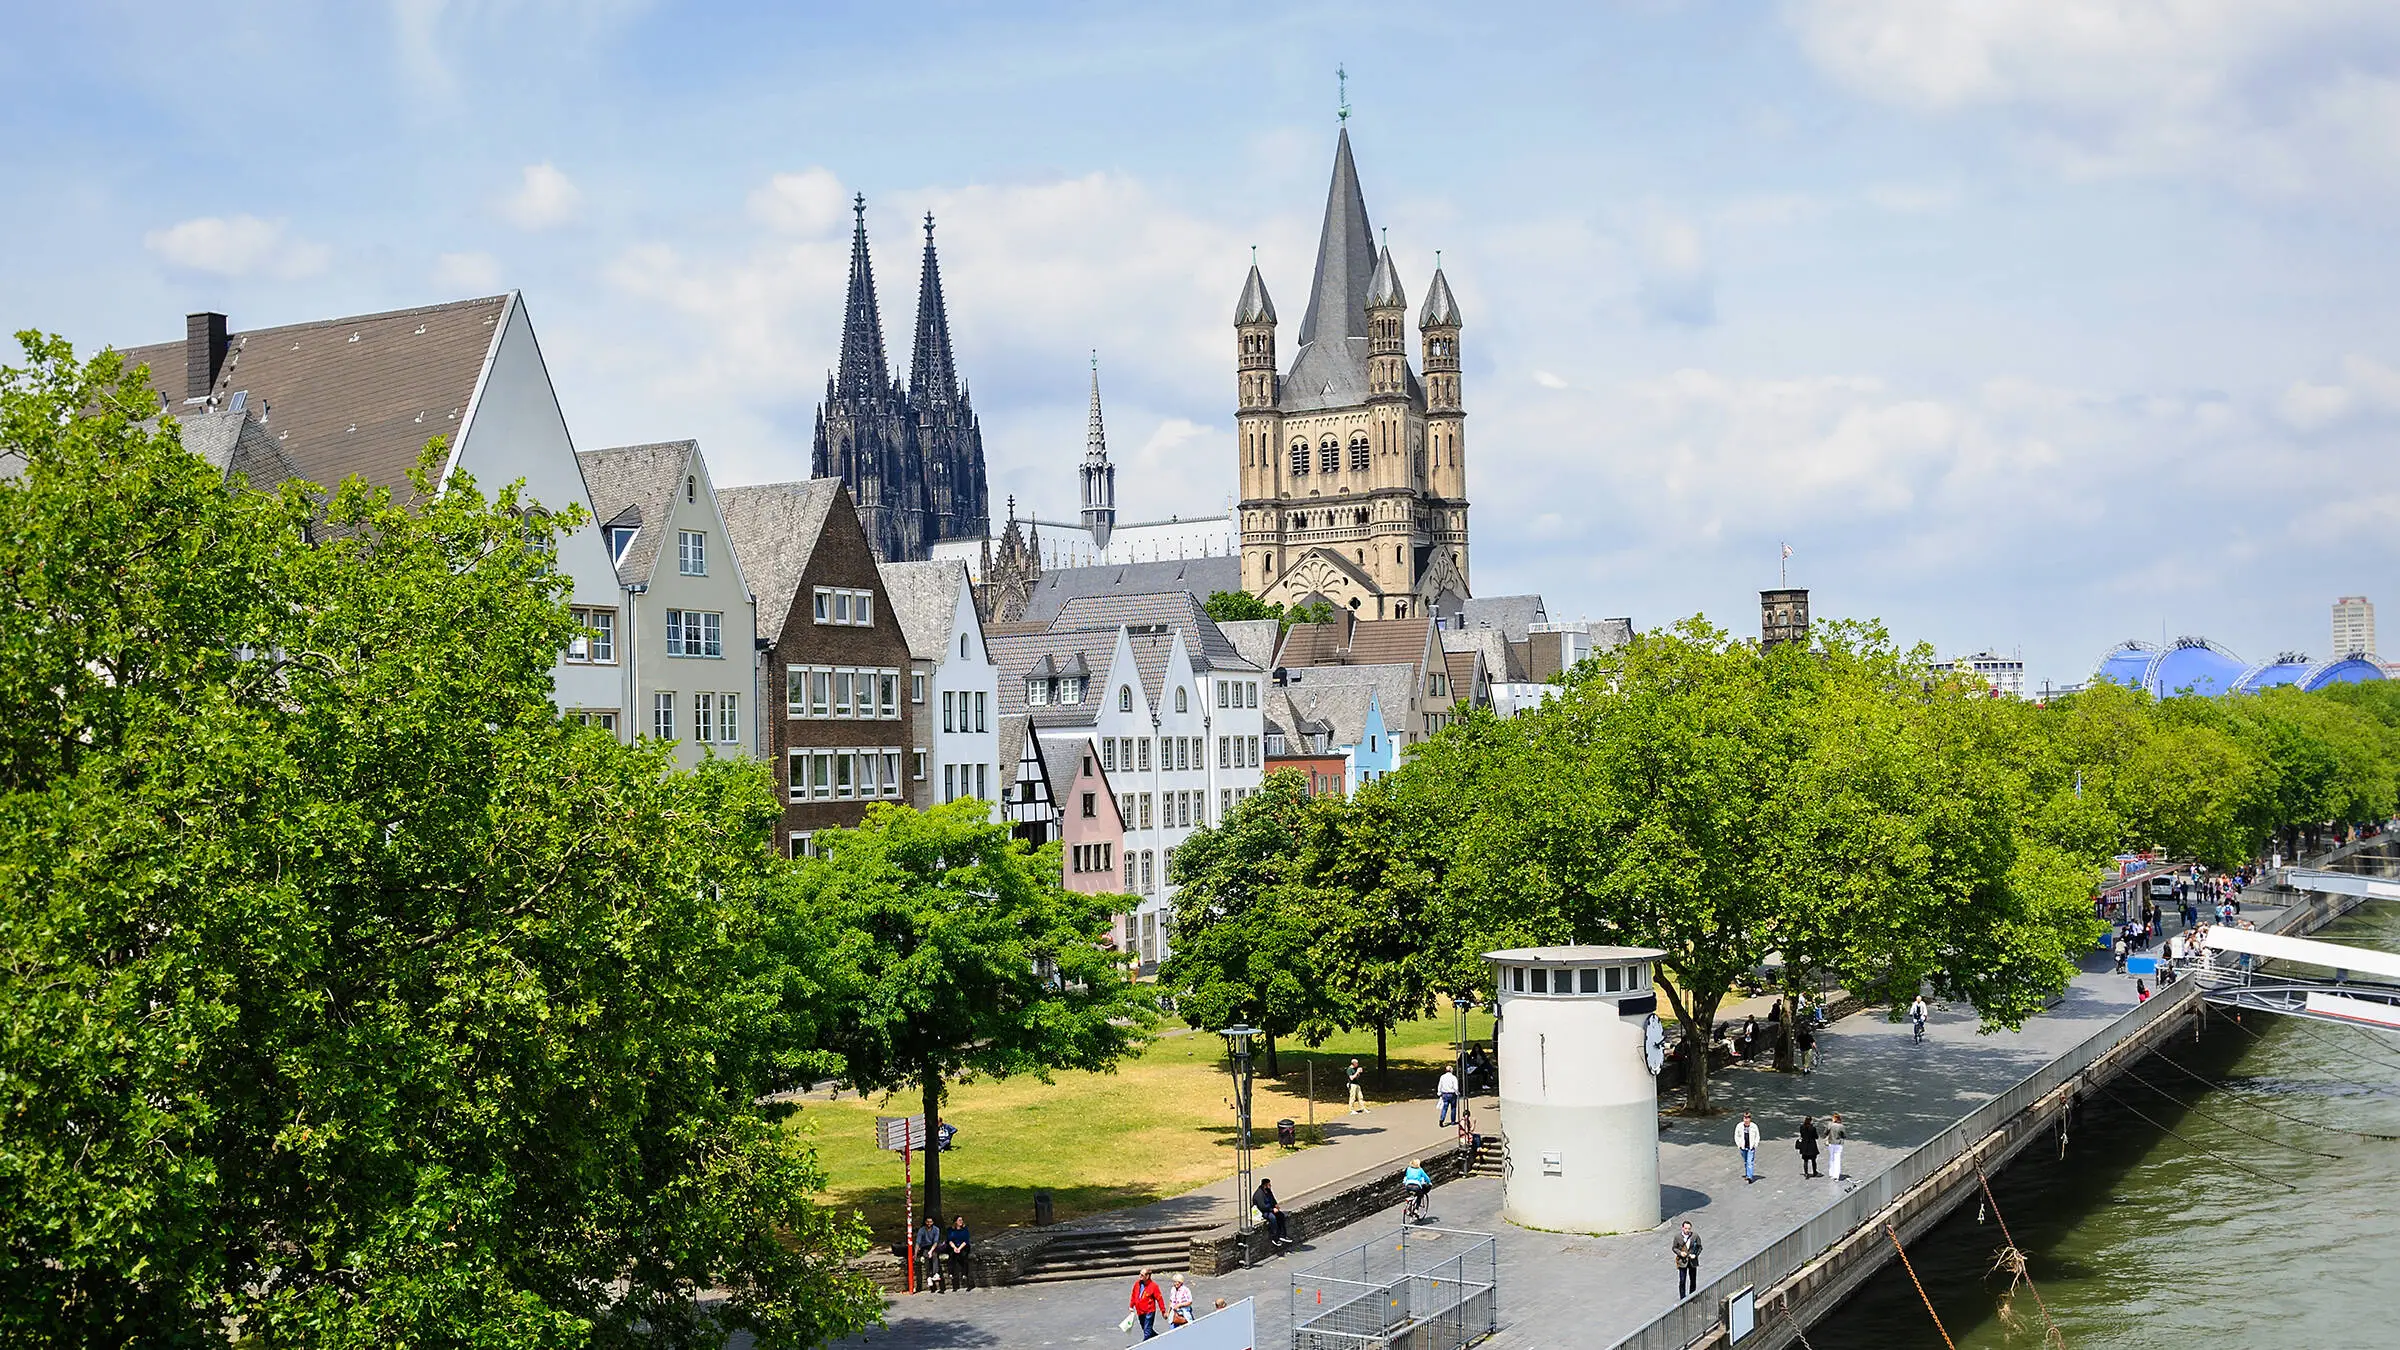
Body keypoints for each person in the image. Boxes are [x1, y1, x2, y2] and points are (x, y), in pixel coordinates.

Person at [1128, 1268, 1167, 1339]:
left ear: (1147, 1276)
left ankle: (1144, 1344)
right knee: (1146, 1329)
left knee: (1147, 1331)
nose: (1140, 1276)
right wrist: (1131, 1306)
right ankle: (1159, 1338)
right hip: (1140, 1311)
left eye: (1142, 1275)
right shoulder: (1137, 1284)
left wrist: (1163, 1311)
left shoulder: (1153, 1286)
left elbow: (1159, 1299)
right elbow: (1133, 1295)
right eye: (1140, 1274)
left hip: (1149, 1311)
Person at [1252, 1178, 1290, 1245]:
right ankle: (1275, 1238)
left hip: (1270, 1208)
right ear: (1265, 1185)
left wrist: (1276, 1204)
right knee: (1272, 1218)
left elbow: (1272, 1198)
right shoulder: (1259, 1194)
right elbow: (1262, 1207)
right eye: (1269, 1185)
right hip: (1262, 1211)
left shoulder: (1268, 1191)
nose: (1270, 1186)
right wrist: (1272, 1210)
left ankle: (1282, 1235)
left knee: (1281, 1215)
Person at [1672, 1221, 1703, 1299]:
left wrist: (1695, 1255)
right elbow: (1674, 1248)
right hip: (1682, 1261)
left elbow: (1699, 1247)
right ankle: (1683, 1298)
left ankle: (1692, 1296)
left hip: (1692, 1261)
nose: (1687, 1230)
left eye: (1689, 1229)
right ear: (1682, 1228)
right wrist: (1680, 1253)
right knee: (1682, 1280)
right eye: (1686, 1228)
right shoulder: (1677, 1237)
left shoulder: (1695, 1236)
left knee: (1693, 1280)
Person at [915, 1216, 943, 1293]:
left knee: (934, 1255)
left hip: (933, 1246)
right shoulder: (922, 1230)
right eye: (927, 1222)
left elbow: (935, 1242)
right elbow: (918, 1242)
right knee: (926, 1257)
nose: (929, 1223)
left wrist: (931, 1251)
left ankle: (935, 1273)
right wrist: (915, 1254)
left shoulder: (936, 1229)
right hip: (925, 1247)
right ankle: (928, 1277)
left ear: (933, 1222)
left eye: (930, 1222)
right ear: (925, 1222)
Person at [944, 1214, 972, 1291]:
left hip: (963, 1246)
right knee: (952, 1256)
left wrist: (959, 1248)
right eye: (959, 1220)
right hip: (953, 1246)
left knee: (964, 1256)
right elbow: (949, 1240)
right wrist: (954, 1248)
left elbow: (966, 1241)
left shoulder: (965, 1229)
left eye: (962, 1220)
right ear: (955, 1222)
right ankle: (951, 1274)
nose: (961, 1221)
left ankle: (964, 1274)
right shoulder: (950, 1230)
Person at [1733, 1112, 1761, 1183]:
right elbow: (1736, 1135)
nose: (1746, 1120)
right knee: (1746, 1161)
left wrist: (1755, 1144)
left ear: (1750, 1119)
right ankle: (1747, 1174)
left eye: (1748, 1118)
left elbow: (1757, 1136)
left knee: (1750, 1162)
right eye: (1745, 1118)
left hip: (1751, 1147)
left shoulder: (1754, 1126)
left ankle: (1749, 1177)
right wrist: (1738, 1144)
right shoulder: (1739, 1126)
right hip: (1743, 1147)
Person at [1824, 1112, 1846, 1181]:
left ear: (1834, 1119)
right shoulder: (1841, 1126)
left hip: (1831, 1143)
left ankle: (1831, 1173)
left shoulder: (1830, 1125)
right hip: (1838, 1144)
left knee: (1832, 1158)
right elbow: (1844, 1135)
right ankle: (1836, 1175)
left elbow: (1825, 1133)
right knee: (1837, 1159)